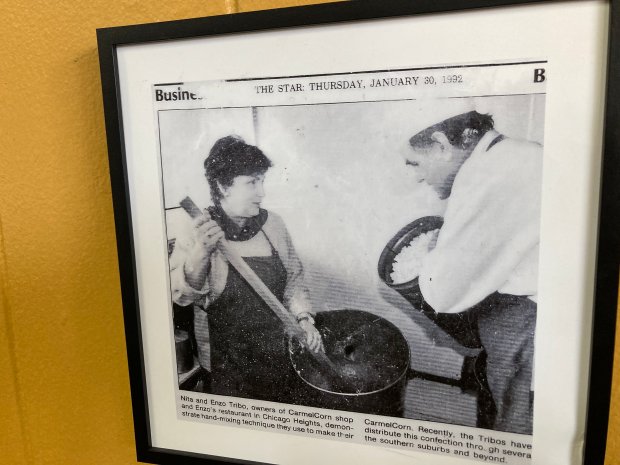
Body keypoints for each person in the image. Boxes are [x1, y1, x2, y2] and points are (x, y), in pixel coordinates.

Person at [404, 111, 542, 434]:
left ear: (440, 145)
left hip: (526, 322)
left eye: (414, 163)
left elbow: (443, 291)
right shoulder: (517, 151)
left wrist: (430, 257)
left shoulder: (486, 178)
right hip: (523, 310)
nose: (415, 177)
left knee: (516, 428)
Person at [169, 135, 322, 403]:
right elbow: (181, 296)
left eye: (262, 180)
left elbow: (294, 279)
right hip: (226, 365)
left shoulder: (274, 224)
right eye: (252, 182)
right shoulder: (197, 229)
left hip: (278, 353)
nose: (262, 192)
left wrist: (304, 318)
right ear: (223, 186)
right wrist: (202, 251)